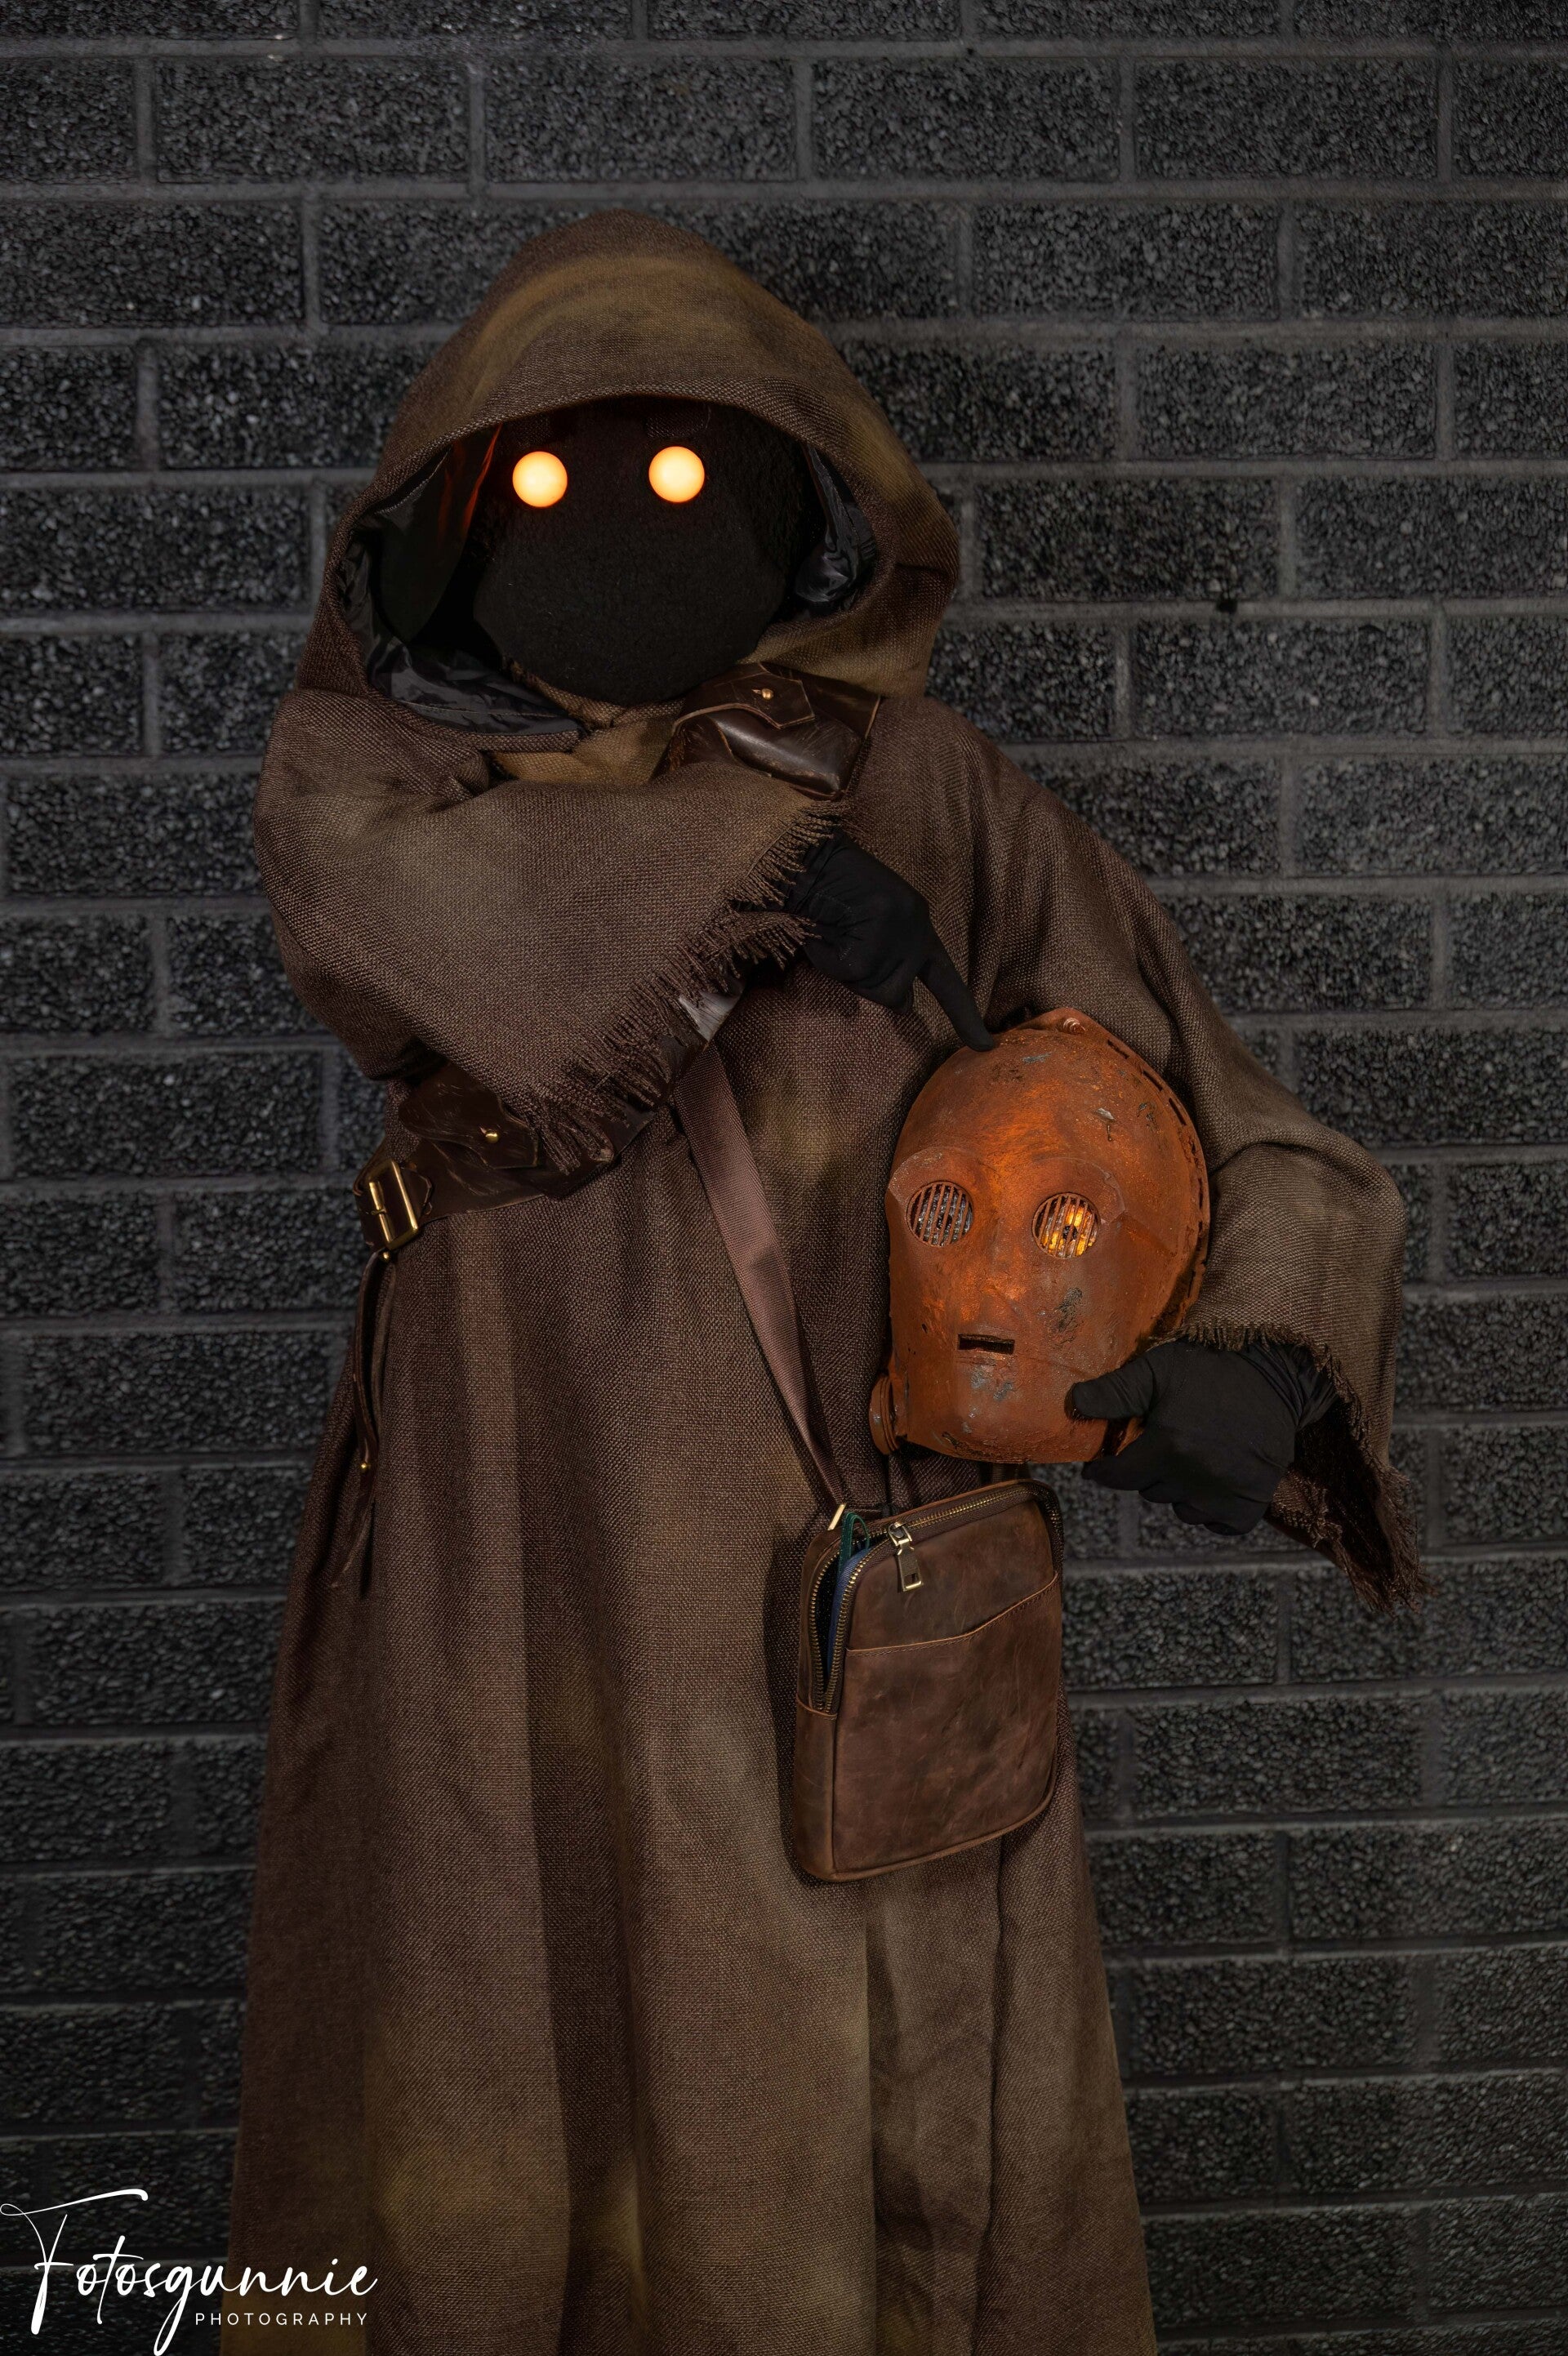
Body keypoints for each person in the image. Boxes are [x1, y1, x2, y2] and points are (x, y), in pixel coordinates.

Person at [224, 209, 1417, 2356]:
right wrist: (762, 866)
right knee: (497, 2039)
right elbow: (440, 942)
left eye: (692, 475)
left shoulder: (933, 796)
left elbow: (1216, 1101)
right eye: (550, 478)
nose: (621, 526)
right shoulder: (374, 787)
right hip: (516, 1561)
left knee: (856, 2097)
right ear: (453, 518)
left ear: (797, 504)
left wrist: (1254, 1345)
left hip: (853, 1571)